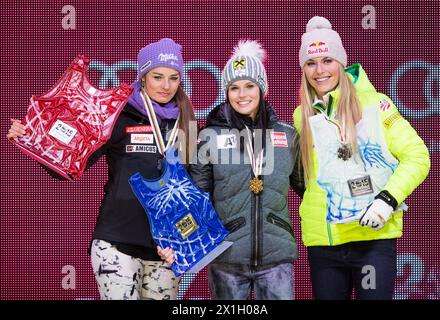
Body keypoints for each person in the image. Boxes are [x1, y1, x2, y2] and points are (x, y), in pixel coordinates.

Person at [7, 38, 196, 300]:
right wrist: (31, 139)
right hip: (117, 243)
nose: (166, 86)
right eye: (157, 76)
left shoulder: (186, 122)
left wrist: (183, 239)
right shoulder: (118, 116)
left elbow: (192, 190)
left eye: (173, 78)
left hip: (165, 249)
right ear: (143, 76)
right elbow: (71, 163)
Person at [293, 16, 431, 300]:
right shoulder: (301, 116)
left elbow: (418, 156)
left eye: (327, 60)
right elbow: (304, 177)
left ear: (342, 62)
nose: (320, 71)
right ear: (303, 68)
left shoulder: (375, 105)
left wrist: (386, 199)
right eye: (311, 63)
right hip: (324, 243)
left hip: (371, 241)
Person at [189, 40, 304, 300]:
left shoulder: (287, 136)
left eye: (250, 86)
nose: (242, 95)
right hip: (227, 257)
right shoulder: (210, 137)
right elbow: (196, 197)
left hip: (276, 258)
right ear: (226, 92)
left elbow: (310, 189)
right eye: (234, 88)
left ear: (262, 89)